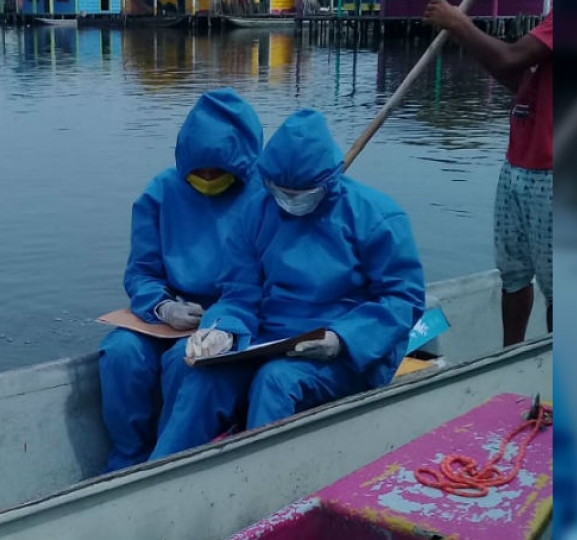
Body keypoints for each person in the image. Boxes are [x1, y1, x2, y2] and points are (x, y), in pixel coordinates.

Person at [148, 109, 426, 460]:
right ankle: (164, 471)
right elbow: (240, 292)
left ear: (327, 181)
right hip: (266, 338)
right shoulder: (257, 212)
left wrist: (343, 339)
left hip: (344, 353)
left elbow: (403, 297)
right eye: (282, 190)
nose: (291, 199)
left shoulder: (377, 216)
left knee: (276, 381)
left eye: (303, 191)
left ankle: (258, 486)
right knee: (189, 364)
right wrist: (222, 330)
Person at [98, 88, 264, 473]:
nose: (207, 180)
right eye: (198, 173)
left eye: (217, 173)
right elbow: (141, 271)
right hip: (168, 312)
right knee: (120, 353)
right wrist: (162, 305)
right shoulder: (160, 193)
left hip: (232, 315)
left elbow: (264, 282)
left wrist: (221, 322)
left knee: (184, 362)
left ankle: (166, 464)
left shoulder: (263, 198)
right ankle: (126, 460)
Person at [423, 0, 553, 347]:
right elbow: (520, 81)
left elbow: (512, 58)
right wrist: (466, 37)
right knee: (513, 274)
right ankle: (509, 359)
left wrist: (459, 24)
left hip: (552, 173)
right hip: (518, 165)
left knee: (560, 286)